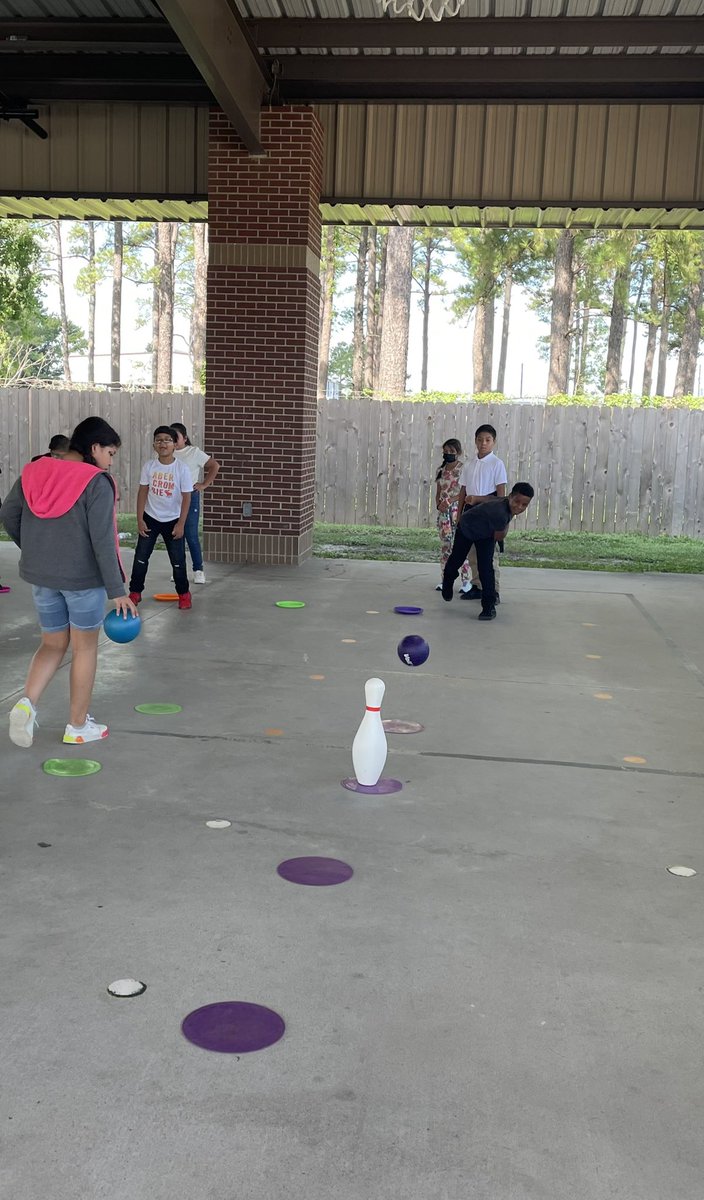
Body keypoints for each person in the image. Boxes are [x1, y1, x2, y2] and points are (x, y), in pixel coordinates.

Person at [1, 416, 137, 748]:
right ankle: (77, 725)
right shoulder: (97, 482)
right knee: (84, 647)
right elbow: (103, 540)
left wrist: (33, 548)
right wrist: (117, 590)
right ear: (94, 448)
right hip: (82, 580)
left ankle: (27, 703)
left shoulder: (35, 470)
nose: (110, 460)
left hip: (41, 576)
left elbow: (7, 514)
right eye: (110, 452)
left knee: (51, 643)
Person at [441, 482, 535, 621]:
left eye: (524, 505)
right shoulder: (500, 514)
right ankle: (448, 580)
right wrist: (507, 523)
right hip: (467, 528)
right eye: (517, 502)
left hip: (485, 533)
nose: (519, 507)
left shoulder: (504, 501)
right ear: (510, 497)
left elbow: (490, 498)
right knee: (457, 559)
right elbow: (500, 536)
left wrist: (477, 499)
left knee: (486, 569)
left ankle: (488, 607)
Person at [128, 426, 193, 610]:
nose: (162, 443)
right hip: (151, 518)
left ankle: (183, 594)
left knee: (178, 560)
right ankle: (135, 592)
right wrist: (140, 518)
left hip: (173, 520)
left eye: (167, 440)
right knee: (141, 557)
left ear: (175, 445)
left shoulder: (182, 469)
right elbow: (143, 492)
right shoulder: (149, 466)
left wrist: (181, 523)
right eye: (158, 440)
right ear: (154, 445)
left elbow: (187, 497)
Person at [456, 424, 508, 602]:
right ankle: (478, 586)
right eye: (480, 440)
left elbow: (501, 494)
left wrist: (500, 520)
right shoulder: (469, 464)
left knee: (488, 556)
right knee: (472, 554)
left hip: (489, 514)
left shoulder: (497, 464)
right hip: (470, 513)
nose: (483, 443)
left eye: (487, 440)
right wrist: (459, 515)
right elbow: (463, 490)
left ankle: (494, 591)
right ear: (475, 441)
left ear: (493, 442)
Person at [170, 422, 220, 585]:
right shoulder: (167, 454)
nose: (173, 441)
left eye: (176, 437)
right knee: (176, 534)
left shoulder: (194, 452)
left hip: (190, 496)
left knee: (190, 533)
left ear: (184, 438)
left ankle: (198, 569)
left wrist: (204, 484)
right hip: (173, 498)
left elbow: (214, 465)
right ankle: (178, 569)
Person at [434, 438, 470, 593]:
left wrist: (451, 501)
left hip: (458, 510)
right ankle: (445, 579)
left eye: (452, 452)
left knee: (461, 546)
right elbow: (438, 493)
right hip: (444, 513)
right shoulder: (440, 471)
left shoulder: (463, 469)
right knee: (445, 547)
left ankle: (466, 581)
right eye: (446, 451)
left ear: (459, 453)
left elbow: (465, 491)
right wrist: (439, 505)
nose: (448, 454)